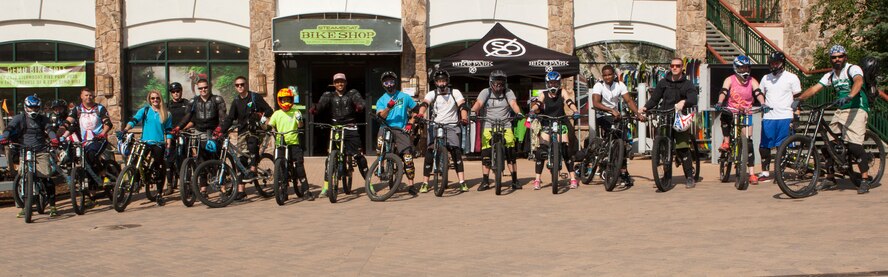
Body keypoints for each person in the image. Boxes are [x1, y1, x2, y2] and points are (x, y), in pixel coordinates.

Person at [797, 45, 872, 194]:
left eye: (840, 56)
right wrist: (799, 99)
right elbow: (815, 88)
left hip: (857, 108)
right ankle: (830, 178)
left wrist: (850, 96)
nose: (837, 59)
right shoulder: (831, 75)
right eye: (834, 57)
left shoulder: (852, 69)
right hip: (841, 110)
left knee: (854, 146)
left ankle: (864, 179)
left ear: (845, 57)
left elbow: (858, 82)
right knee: (827, 145)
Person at [640, 58, 698, 188]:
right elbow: (654, 99)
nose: (675, 68)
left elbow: (693, 98)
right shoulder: (663, 83)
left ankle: (689, 176)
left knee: (682, 147)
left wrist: (684, 102)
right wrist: (645, 108)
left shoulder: (687, 84)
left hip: (679, 117)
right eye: (672, 65)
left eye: (677, 65)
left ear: (682, 67)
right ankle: (666, 176)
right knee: (663, 146)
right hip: (665, 115)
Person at [309, 73, 369, 197]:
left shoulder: (352, 93)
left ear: (345, 82)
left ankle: (369, 185)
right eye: (337, 82)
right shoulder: (328, 95)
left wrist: (360, 106)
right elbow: (321, 105)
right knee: (330, 157)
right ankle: (326, 187)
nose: (339, 84)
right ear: (334, 84)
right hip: (335, 128)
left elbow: (361, 102)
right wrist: (315, 108)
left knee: (359, 156)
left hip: (350, 127)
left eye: (342, 81)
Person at [0, 95, 60, 217]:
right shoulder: (19, 118)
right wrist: (4, 137)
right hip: (24, 150)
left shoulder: (43, 119)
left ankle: (53, 206)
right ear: (26, 107)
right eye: (31, 108)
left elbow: (49, 130)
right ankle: (25, 206)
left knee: (46, 177)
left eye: (36, 108)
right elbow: (9, 128)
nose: (33, 111)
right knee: (23, 176)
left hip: (40, 150)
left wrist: (54, 139)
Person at [415, 69, 470, 192]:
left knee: (456, 152)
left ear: (447, 81)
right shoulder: (432, 93)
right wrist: (420, 114)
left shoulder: (455, 92)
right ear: (435, 82)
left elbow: (462, 106)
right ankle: (425, 182)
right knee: (429, 151)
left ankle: (462, 181)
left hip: (451, 125)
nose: (441, 83)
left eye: (443, 80)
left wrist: (464, 118)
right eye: (439, 81)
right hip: (436, 125)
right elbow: (424, 104)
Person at [219, 76, 273, 201]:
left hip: (256, 130)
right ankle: (241, 191)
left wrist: (261, 116)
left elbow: (269, 110)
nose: (240, 87)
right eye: (237, 85)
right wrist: (221, 130)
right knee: (240, 161)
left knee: (252, 143)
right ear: (235, 87)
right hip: (242, 132)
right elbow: (230, 118)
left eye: (242, 84)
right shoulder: (236, 101)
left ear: (246, 85)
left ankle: (254, 168)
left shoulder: (254, 97)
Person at [714, 55, 767, 184]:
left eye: (746, 67)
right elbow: (724, 91)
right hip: (732, 110)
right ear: (736, 67)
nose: (744, 70)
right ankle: (726, 142)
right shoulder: (730, 79)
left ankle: (752, 174)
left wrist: (763, 103)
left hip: (746, 112)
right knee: (725, 116)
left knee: (748, 142)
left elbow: (758, 92)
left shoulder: (752, 81)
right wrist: (720, 102)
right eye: (742, 67)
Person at [590, 65, 645, 187]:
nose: (607, 77)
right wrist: (610, 110)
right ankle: (603, 161)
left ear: (614, 75)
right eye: (605, 75)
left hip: (616, 116)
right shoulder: (598, 86)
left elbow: (629, 101)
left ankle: (623, 172)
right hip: (602, 115)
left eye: (610, 74)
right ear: (602, 76)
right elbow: (596, 102)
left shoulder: (620, 85)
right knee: (612, 136)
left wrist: (638, 114)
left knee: (622, 142)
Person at [470, 70, 524, 191]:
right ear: (491, 83)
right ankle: (485, 181)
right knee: (486, 153)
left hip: (505, 124)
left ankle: (515, 180)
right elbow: (478, 103)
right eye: (496, 83)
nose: (498, 86)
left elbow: (513, 103)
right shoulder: (485, 92)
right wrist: (473, 112)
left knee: (511, 152)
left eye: (501, 84)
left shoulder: (508, 92)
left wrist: (518, 112)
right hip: (489, 124)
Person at [528, 71, 582, 190]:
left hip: (561, 121)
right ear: (547, 83)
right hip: (547, 122)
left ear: (559, 83)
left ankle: (573, 178)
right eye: (551, 83)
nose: (553, 86)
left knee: (566, 151)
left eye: (555, 83)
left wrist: (576, 111)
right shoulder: (543, 94)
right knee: (540, 152)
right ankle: (537, 180)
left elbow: (569, 102)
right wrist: (532, 111)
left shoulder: (562, 92)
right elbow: (538, 103)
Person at [119, 91, 173, 206]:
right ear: (149, 99)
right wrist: (125, 130)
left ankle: (159, 194)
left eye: (157, 98)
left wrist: (168, 143)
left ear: (160, 99)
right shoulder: (145, 110)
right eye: (152, 98)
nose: (155, 100)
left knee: (159, 167)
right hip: (145, 142)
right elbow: (134, 121)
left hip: (159, 143)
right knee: (135, 160)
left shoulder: (166, 114)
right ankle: (137, 180)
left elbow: (168, 130)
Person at [757, 52, 802, 182]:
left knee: (782, 146)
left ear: (782, 63)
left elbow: (798, 98)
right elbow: (760, 93)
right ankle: (765, 172)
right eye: (772, 63)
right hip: (769, 117)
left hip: (785, 116)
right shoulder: (766, 78)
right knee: (764, 147)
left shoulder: (791, 77)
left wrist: (797, 116)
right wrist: (762, 104)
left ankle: (779, 172)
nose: (774, 65)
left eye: (776, 63)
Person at [374, 71, 419, 195]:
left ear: (395, 82)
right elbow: (380, 116)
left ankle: (411, 185)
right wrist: (388, 107)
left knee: (408, 157)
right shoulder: (381, 100)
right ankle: (380, 166)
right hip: (386, 127)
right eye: (386, 82)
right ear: (383, 84)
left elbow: (417, 110)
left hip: (401, 129)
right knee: (379, 147)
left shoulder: (404, 97)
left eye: (391, 81)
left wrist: (411, 122)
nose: (389, 85)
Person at [61, 87, 114, 187]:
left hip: (99, 140)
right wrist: (61, 131)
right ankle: (91, 191)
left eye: (90, 95)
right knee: (83, 162)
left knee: (90, 155)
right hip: (85, 141)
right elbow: (68, 122)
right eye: (86, 95)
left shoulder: (99, 108)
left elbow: (107, 123)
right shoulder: (77, 109)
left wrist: (103, 133)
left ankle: (104, 174)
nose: (88, 97)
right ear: (81, 96)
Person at [267, 88, 313, 201]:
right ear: (279, 101)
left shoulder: (296, 112)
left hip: (294, 143)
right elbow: (269, 126)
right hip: (281, 144)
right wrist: (263, 124)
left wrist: (300, 120)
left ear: (292, 100)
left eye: (288, 99)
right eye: (283, 100)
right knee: (280, 167)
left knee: (299, 166)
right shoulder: (277, 114)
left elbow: (300, 125)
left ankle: (306, 190)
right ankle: (283, 190)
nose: (285, 102)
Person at [176, 78, 226, 164]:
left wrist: (219, 129)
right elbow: (187, 117)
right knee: (200, 158)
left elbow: (223, 118)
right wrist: (178, 127)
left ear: (209, 87)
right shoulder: (193, 101)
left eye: (205, 87)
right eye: (200, 88)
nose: (203, 90)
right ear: (197, 89)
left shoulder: (217, 99)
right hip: (199, 132)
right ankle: (201, 176)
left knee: (214, 158)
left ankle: (217, 174)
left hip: (214, 132)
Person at [166, 82, 191, 191]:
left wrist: (182, 129)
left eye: (177, 91)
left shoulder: (187, 103)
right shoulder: (168, 105)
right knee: (169, 159)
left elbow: (192, 119)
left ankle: (186, 184)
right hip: (171, 135)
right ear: (171, 94)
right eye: (173, 92)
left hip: (183, 134)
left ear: (181, 91)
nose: (176, 93)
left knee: (184, 159)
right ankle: (169, 184)